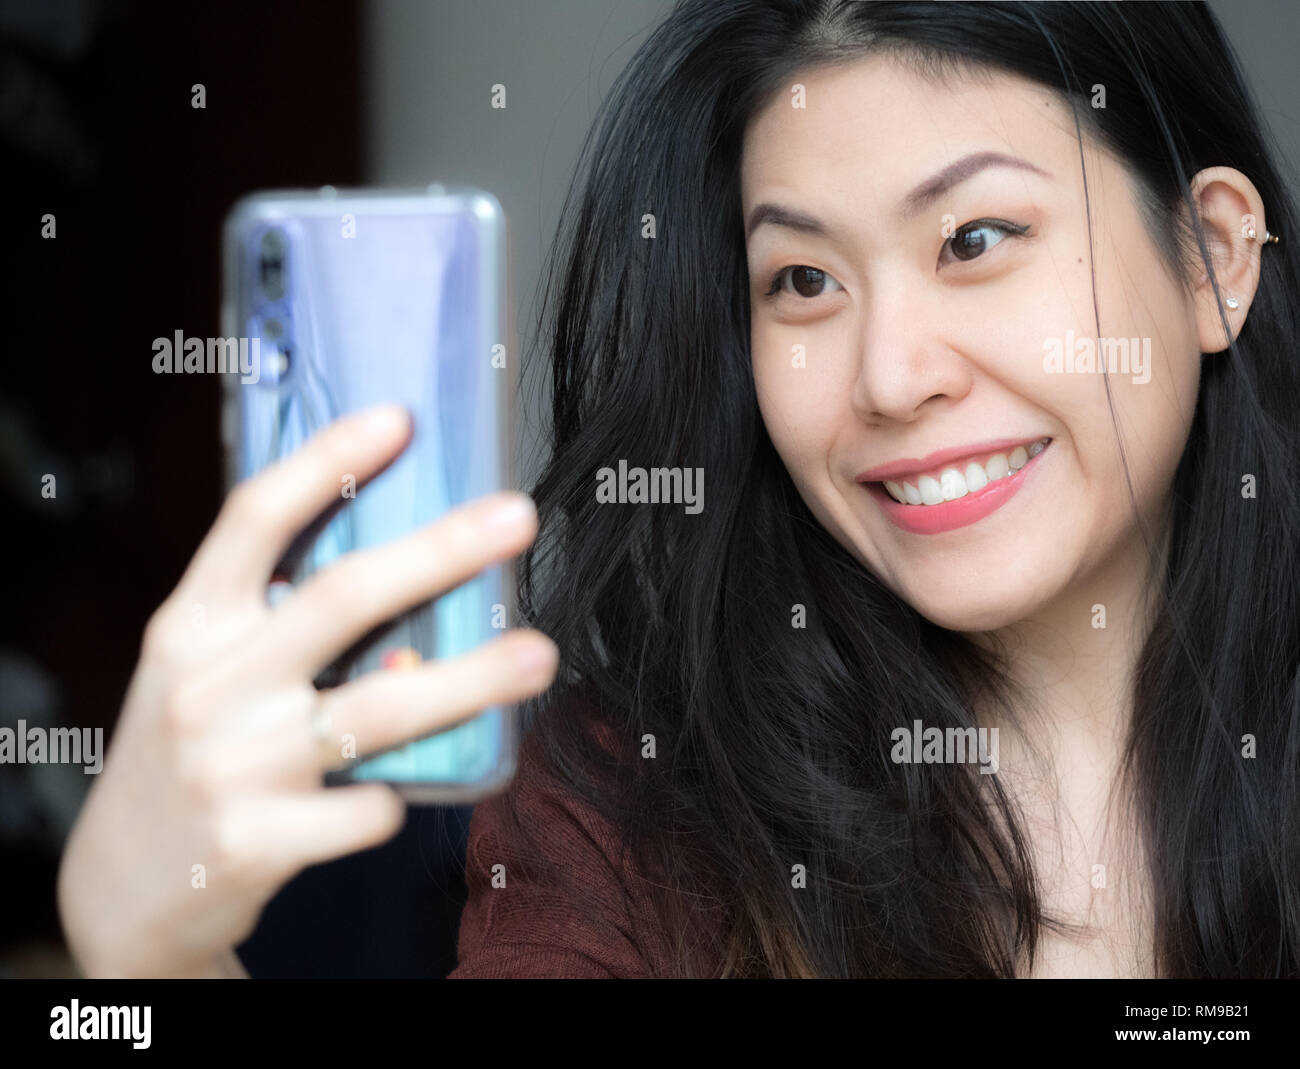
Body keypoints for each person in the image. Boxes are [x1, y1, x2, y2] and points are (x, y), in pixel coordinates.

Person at [58, 0, 1300, 978]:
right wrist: (143, 970)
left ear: (1210, 258)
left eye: (974, 240)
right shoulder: (629, 805)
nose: (888, 376)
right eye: (802, 281)